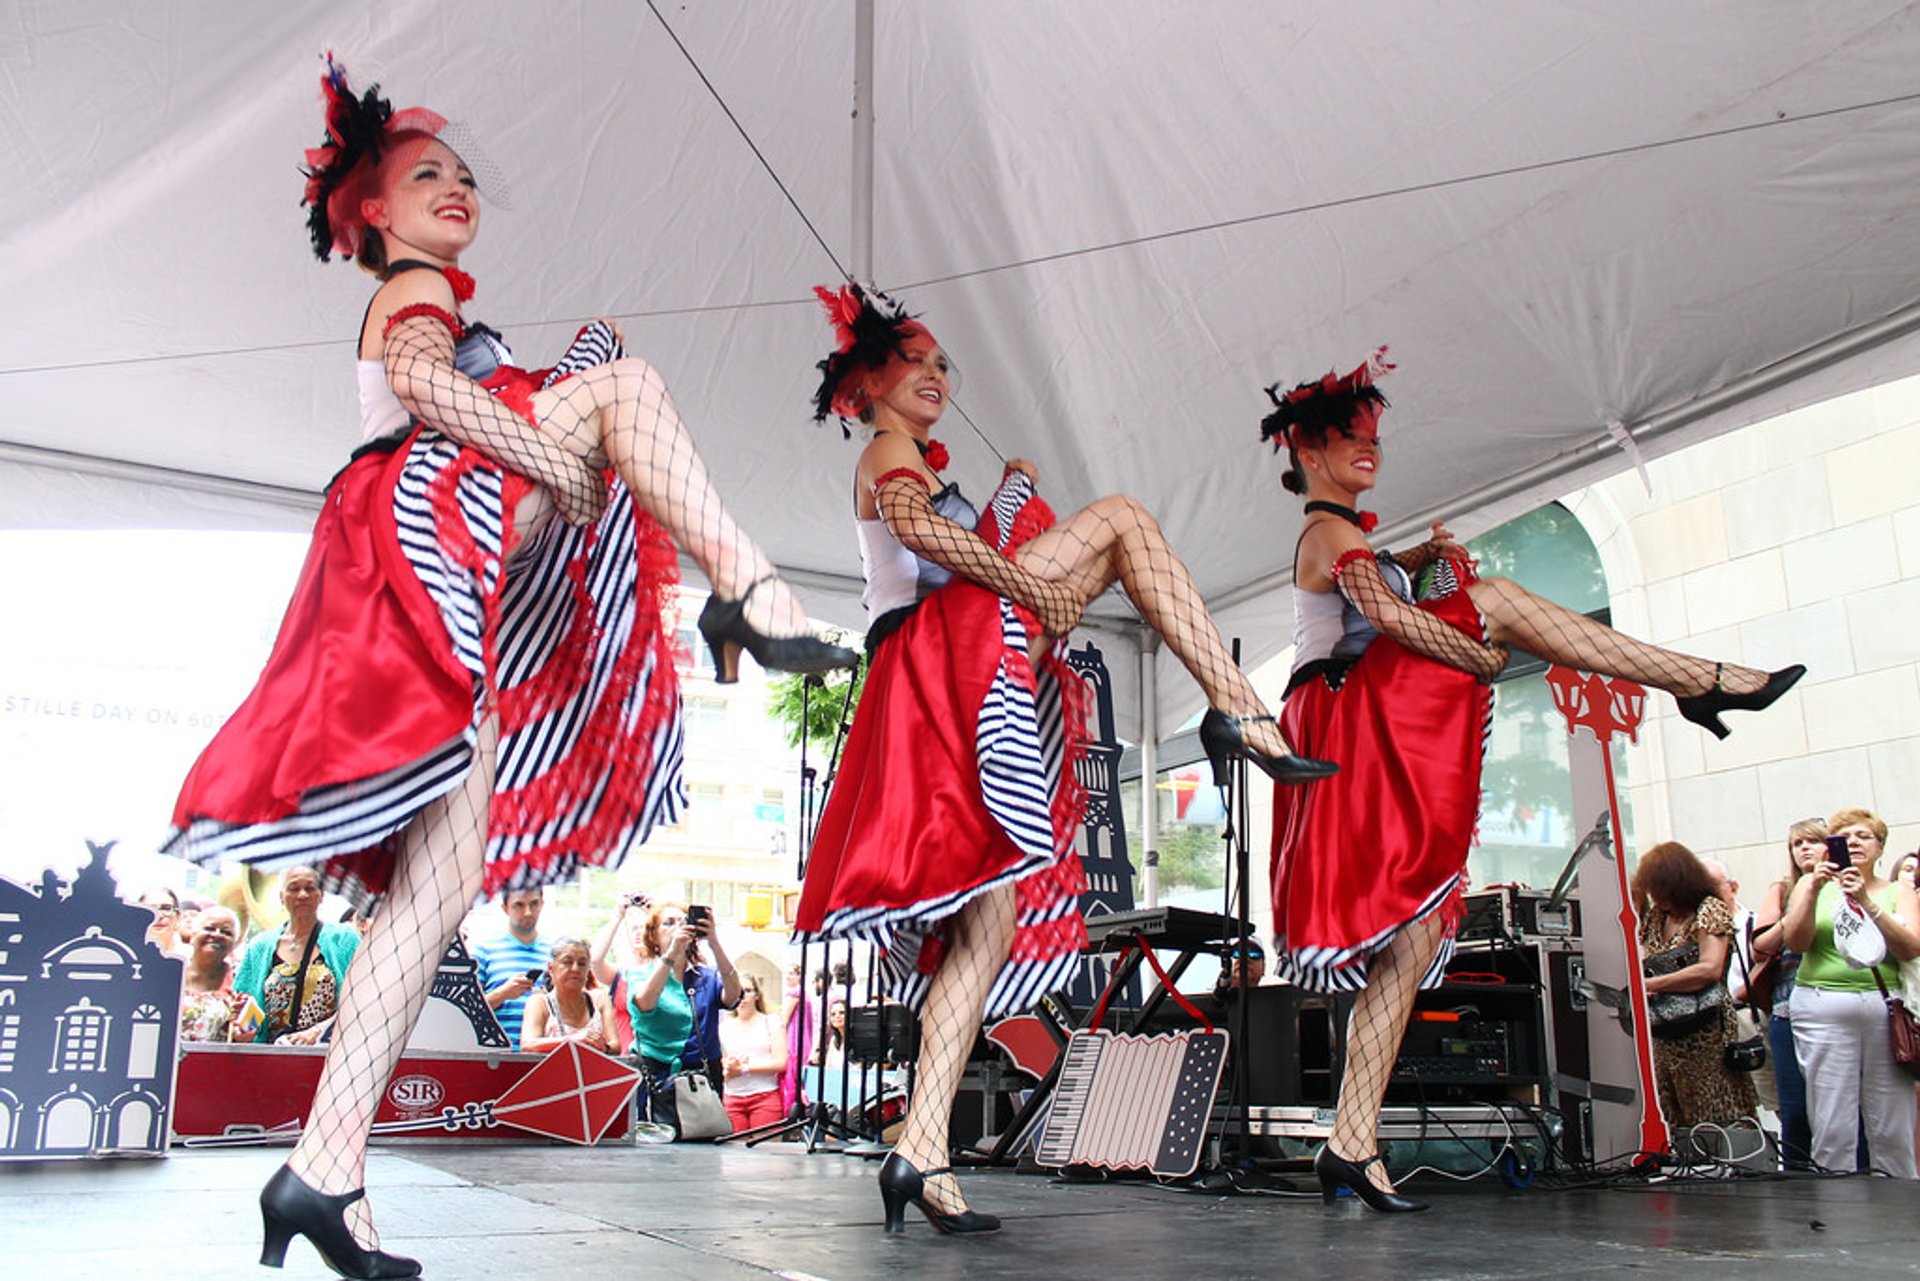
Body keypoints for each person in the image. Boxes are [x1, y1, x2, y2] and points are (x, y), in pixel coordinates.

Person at [164, 60, 853, 1280]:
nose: (459, 188)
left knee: (433, 898)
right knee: (626, 386)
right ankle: (748, 596)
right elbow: (429, 386)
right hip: (417, 526)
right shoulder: (413, 289)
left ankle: (323, 1175)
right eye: (429, 172)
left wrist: (567, 452)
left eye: (468, 175)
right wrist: (560, 441)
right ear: (369, 209)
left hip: (434, 551)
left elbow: (514, 431)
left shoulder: (454, 308)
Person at [793, 285, 1335, 1238]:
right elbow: (921, 534)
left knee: (987, 920)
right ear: (866, 380)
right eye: (913, 359)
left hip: (949, 668)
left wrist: (1013, 531)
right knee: (1124, 518)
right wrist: (1020, 580)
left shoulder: (919, 461)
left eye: (943, 363)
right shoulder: (888, 451)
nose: (935, 374)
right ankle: (1238, 710)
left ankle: (920, 1151)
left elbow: (963, 543)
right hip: (933, 658)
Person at [1261, 349, 1803, 1213]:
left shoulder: (1359, 538)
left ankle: (1349, 1142)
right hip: (1348, 723)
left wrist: (1433, 563)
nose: (1368, 444)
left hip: (1358, 722)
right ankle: (1704, 678)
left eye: (1371, 432)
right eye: (1345, 435)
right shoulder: (1330, 534)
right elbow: (1390, 617)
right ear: (1306, 453)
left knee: (1406, 947)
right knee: (1501, 597)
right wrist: (1480, 652)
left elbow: (1397, 597)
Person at [1780, 807, 1920, 1178]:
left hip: (1884, 1007)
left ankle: (1900, 1204)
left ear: (1880, 847)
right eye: (1845, 838)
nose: (1855, 843)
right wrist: (1811, 886)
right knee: (1832, 1118)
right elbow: (1796, 941)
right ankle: (1837, 1204)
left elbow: (1910, 947)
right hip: (1823, 1004)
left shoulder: (1897, 891)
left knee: (1892, 1120)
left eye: (1864, 837)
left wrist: (1868, 903)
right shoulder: (1813, 887)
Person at [1632, 842, 1758, 1132]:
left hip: (1706, 1025)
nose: (1656, 897)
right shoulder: (1656, 917)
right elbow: (1646, 958)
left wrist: (1651, 983)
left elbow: (1710, 968)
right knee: (1670, 1098)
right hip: (1665, 1026)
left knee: (1712, 1099)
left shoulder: (1709, 909)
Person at [1750, 818, 1826, 1168]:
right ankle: (1798, 1176)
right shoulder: (1782, 889)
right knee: (1795, 1108)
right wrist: (1791, 916)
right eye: (1797, 843)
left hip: (1835, 1001)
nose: (1804, 849)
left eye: (1812, 841)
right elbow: (1759, 947)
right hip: (1788, 1006)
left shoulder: (1846, 884)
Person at [625, 901, 739, 1132]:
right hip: (654, 1075)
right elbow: (645, 1003)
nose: (678, 927)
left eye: (682, 921)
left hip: (701, 1076)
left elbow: (733, 997)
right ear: (653, 937)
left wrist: (715, 943)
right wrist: (670, 955)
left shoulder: (706, 977)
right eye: (668, 923)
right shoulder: (640, 975)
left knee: (702, 1145)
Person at [233, 868, 361, 1046]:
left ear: (322, 895)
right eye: (293, 889)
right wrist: (243, 1032)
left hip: (330, 1056)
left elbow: (362, 998)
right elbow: (246, 1007)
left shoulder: (345, 939)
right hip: (271, 1058)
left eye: (310, 888)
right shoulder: (259, 946)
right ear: (281, 896)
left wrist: (319, 1032)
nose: (302, 895)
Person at [472, 887, 550, 1048]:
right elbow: (467, 1012)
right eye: (519, 905)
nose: (528, 912)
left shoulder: (556, 954)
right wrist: (503, 993)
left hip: (543, 1055)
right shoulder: (483, 950)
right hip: (495, 1057)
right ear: (505, 908)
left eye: (534, 904)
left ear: (542, 904)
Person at [179, 905, 266, 1044]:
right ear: (192, 935)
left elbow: (252, 1028)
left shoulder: (243, 979)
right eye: (209, 928)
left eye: (226, 933)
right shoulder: (171, 974)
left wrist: (244, 1034)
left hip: (219, 1063)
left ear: (234, 943)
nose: (217, 935)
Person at [518, 937, 619, 1055]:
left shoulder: (599, 1000)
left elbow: (615, 1045)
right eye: (567, 962)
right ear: (551, 968)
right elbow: (528, 1045)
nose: (575, 969)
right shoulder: (539, 1002)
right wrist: (573, 1040)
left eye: (582, 964)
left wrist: (603, 1047)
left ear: (588, 970)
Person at [720, 975, 788, 1131]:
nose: (742, 996)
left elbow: (781, 1062)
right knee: (733, 1152)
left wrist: (744, 1068)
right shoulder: (724, 1027)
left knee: (765, 1151)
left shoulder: (771, 1021)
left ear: (757, 995)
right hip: (732, 1097)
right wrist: (729, 1069)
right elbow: (721, 1062)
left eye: (748, 991)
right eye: (737, 991)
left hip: (765, 1095)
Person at [139, 886, 190, 958]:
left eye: (166, 908)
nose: (159, 916)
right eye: (150, 909)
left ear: (178, 917)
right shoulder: (130, 956)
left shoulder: (193, 957)